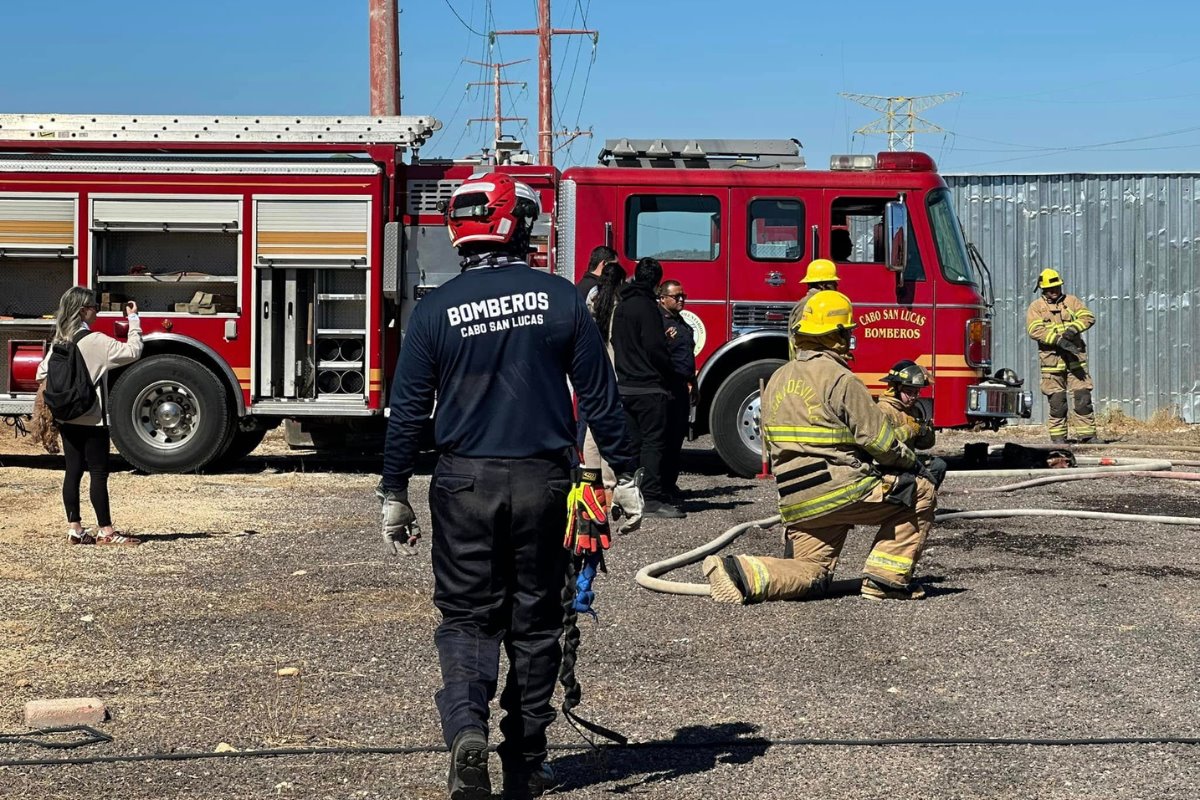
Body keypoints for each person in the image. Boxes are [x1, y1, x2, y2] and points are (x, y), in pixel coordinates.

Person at [379, 173, 643, 800]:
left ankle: (467, 733)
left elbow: (408, 409)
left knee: (468, 618)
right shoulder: (559, 299)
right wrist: (628, 474)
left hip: (463, 480)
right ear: (516, 225)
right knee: (536, 622)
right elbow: (601, 399)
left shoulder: (437, 310)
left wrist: (394, 491)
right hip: (543, 481)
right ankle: (525, 760)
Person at [703, 291, 936, 604]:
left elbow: (770, 446)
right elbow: (880, 442)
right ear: (837, 337)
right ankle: (886, 581)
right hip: (840, 489)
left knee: (812, 573)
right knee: (921, 490)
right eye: (848, 333)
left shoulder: (777, 378)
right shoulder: (841, 379)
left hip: (795, 500)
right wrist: (915, 466)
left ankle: (738, 572)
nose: (850, 340)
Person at [36, 287, 144, 546]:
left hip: (67, 417)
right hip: (93, 418)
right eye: (94, 306)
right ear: (83, 310)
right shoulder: (96, 340)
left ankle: (75, 529)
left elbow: (41, 373)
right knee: (98, 473)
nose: (97, 310)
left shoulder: (60, 340)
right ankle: (106, 531)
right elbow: (133, 351)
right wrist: (134, 320)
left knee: (72, 472)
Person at [611, 257, 684, 519]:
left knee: (633, 445)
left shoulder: (623, 306)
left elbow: (618, 342)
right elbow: (654, 347)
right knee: (654, 444)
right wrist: (668, 370)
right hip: (649, 388)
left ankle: (629, 495)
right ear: (656, 282)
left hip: (625, 386)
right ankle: (651, 498)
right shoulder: (647, 307)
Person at [1025, 268, 1097, 443]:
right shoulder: (1036, 307)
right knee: (1057, 403)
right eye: (1051, 289)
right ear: (1043, 289)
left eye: (1057, 287)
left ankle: (1087, 436)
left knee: (1083, 399)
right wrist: (1057, 340)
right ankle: (1058, 438)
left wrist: (1072, 330)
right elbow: (1034, 330)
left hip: (1075, 361)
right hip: (1052, 362)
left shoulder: (1071, 302)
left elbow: (1088, 317)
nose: (1055, 291)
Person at [580, 259, 627, 488]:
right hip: (614, 368)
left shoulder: (593, 297)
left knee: (592, 426)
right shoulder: (620, 303)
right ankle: (610, 480)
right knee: (611, 424)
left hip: (593, 366)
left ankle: (590, 474)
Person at [877, 360, 948, 487]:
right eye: (909, 392)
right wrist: (910, 429)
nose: (914, 397)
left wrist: (926, 431)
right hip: (887, 464)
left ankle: (924, 500)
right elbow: (883, 443)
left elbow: (925, 445)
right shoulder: (883, 410)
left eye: (916, 392)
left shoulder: (914, 410)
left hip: (907, 460)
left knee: (938, 465)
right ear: (896, 389)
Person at [658, 279, 695, 504]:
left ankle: (670, 484)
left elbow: (688, 356)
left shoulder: (680, 322)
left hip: (683, 385)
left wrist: (694, 383)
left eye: (683, 296)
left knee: (676, 440)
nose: (681, 299)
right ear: (662, 298)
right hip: (667, 387)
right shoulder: (659, 322)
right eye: (676, 296)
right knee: (664, 440)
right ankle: (660, 487)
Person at [787, 258, 840, 358]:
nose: (836, 285)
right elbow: (801, 339)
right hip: (807, 361)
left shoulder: (817, 302)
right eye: (833, 282)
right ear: (822, 285)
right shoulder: (808, 304)